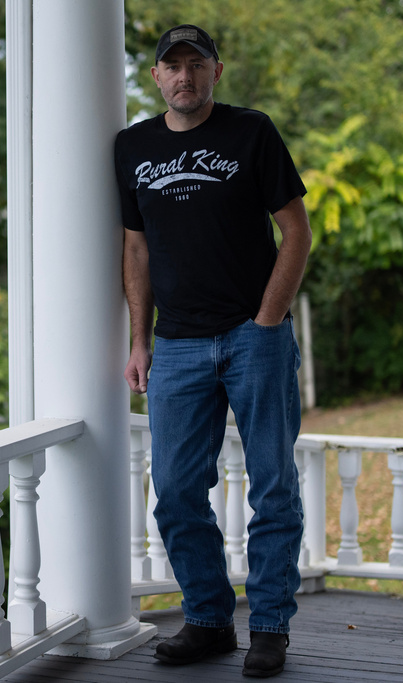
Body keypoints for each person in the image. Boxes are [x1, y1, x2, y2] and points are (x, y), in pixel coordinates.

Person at [114, 24, 311, 678]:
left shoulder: (251, 132)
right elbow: (136, 248)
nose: (184, 77)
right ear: (156, 77)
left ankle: (271, 627)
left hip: (254, 336)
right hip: (176, 345)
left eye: (195, 64)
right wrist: (139, 338)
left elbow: (295, 231)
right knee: (172, 489)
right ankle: (206, 617)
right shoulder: (132, 147)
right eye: (172, 66)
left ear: (216, 71)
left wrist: (267, 319)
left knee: (273, 485)